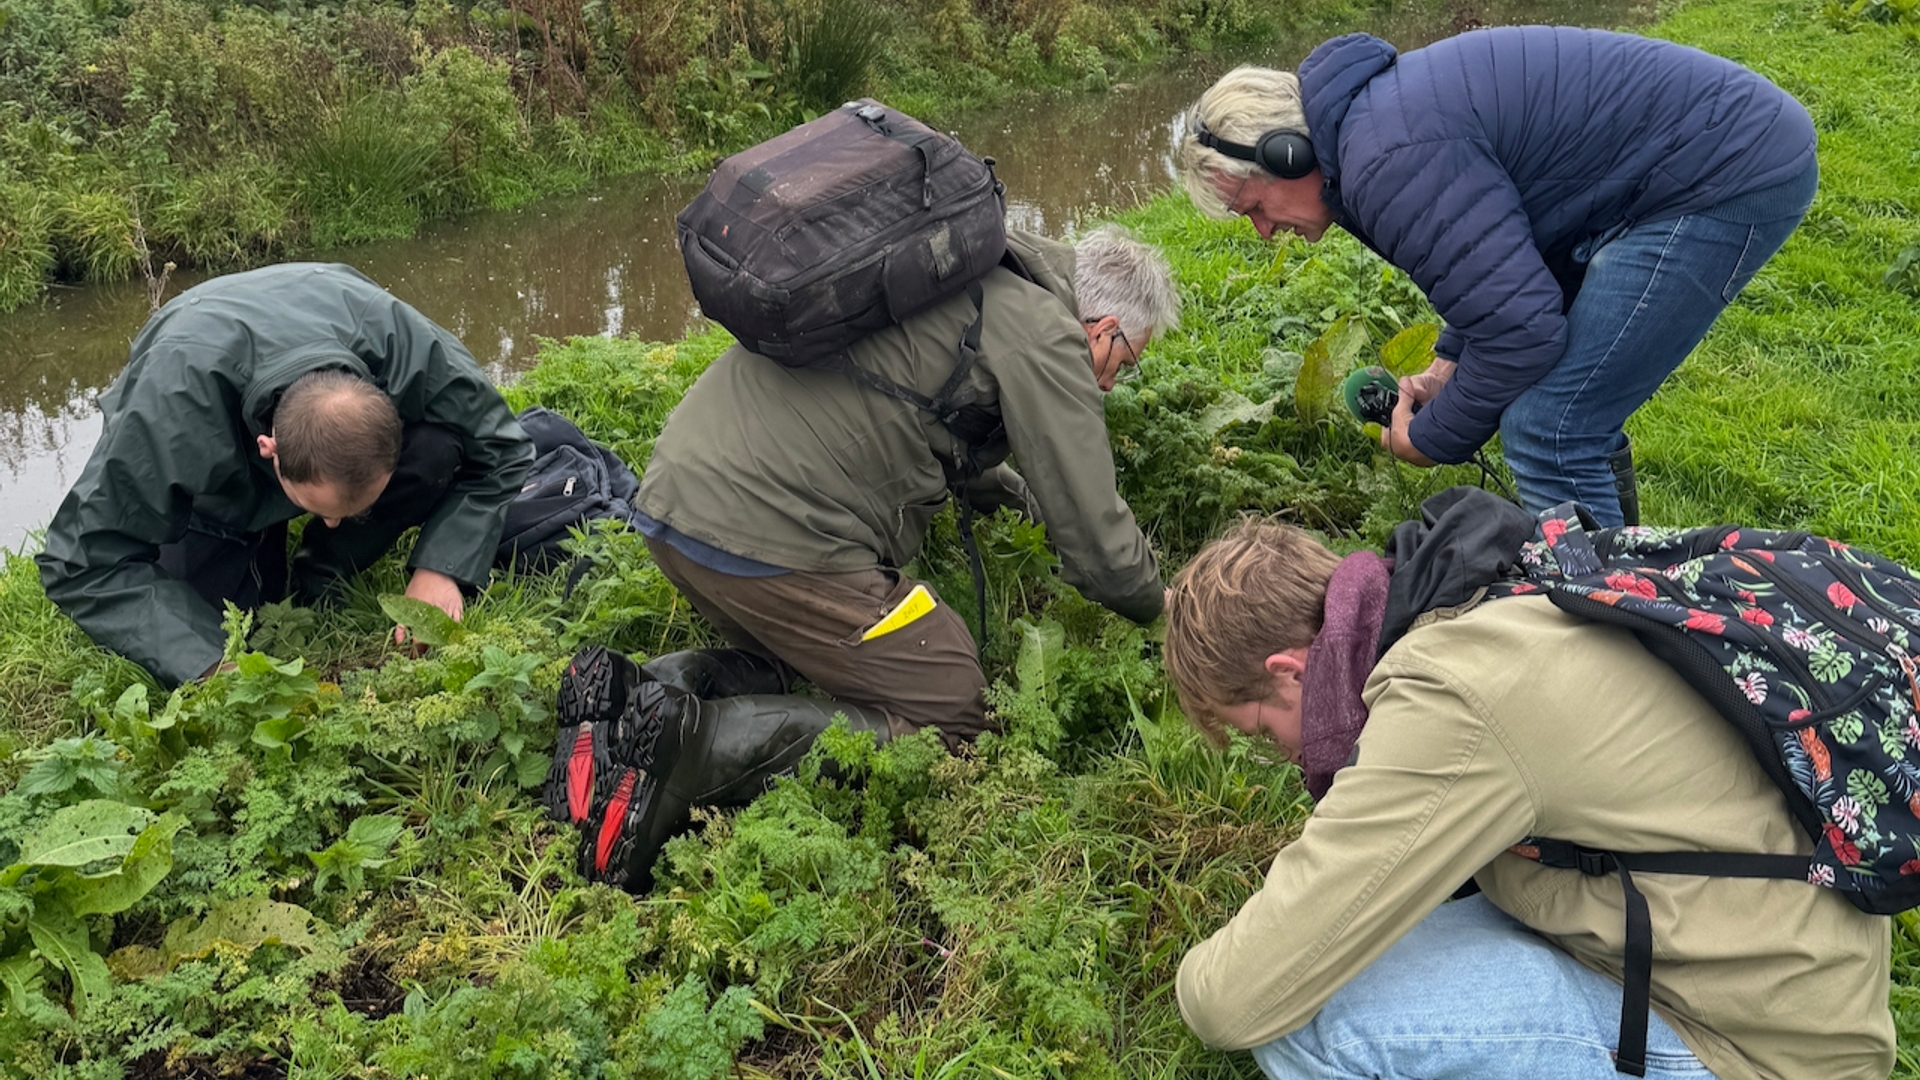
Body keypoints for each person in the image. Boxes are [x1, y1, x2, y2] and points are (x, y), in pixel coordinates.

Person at [1157, 500, 1893, 1080]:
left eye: (1257, 730)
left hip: (1756, 1047)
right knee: (1361, 943)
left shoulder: (1449, 699)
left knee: (1312, 1027)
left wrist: (1188, 976)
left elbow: (1233, 1003)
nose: (1279, 756)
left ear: (1289, 670)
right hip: (1760, 956)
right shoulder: (1481, 594)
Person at [544, 225, 1179, 892]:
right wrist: (1161, 607)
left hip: (678, 505)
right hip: (764, 532)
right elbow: (1099, 543)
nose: (1111, 383)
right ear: (1102, 328)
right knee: (957, 716)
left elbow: (927, 414)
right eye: (1125, 362)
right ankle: (696, 751)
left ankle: (638, 696)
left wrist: (1020, 505)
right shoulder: (1045, 333)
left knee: (801, 663)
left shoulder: (969, 276)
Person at [1179, 27, 1818, 526]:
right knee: (1574, 410)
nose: (1263, 230)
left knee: (1551, 426)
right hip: (1691, 166)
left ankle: (1609, 636)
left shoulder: (1387, 161)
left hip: (1721, 174)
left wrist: (1426, 439)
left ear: (1285, 155)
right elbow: (1493, 261)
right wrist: (1447, 365)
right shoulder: (1366, 138)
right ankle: (1633, 585)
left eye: (1253, 207)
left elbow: (1523, 333)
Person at [38, 263, 533, 687]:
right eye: (323, 513)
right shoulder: (169, 412)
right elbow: (81, 560)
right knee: (228, 616)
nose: (339, 523)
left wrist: (441, 568)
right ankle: (248, 537)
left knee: (439, 450)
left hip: (319, 311)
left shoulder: (401, 345)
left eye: (348, 513)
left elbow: (503, 447)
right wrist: (215, 666)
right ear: (268, 450)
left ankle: (322, 572)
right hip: (206, 411)